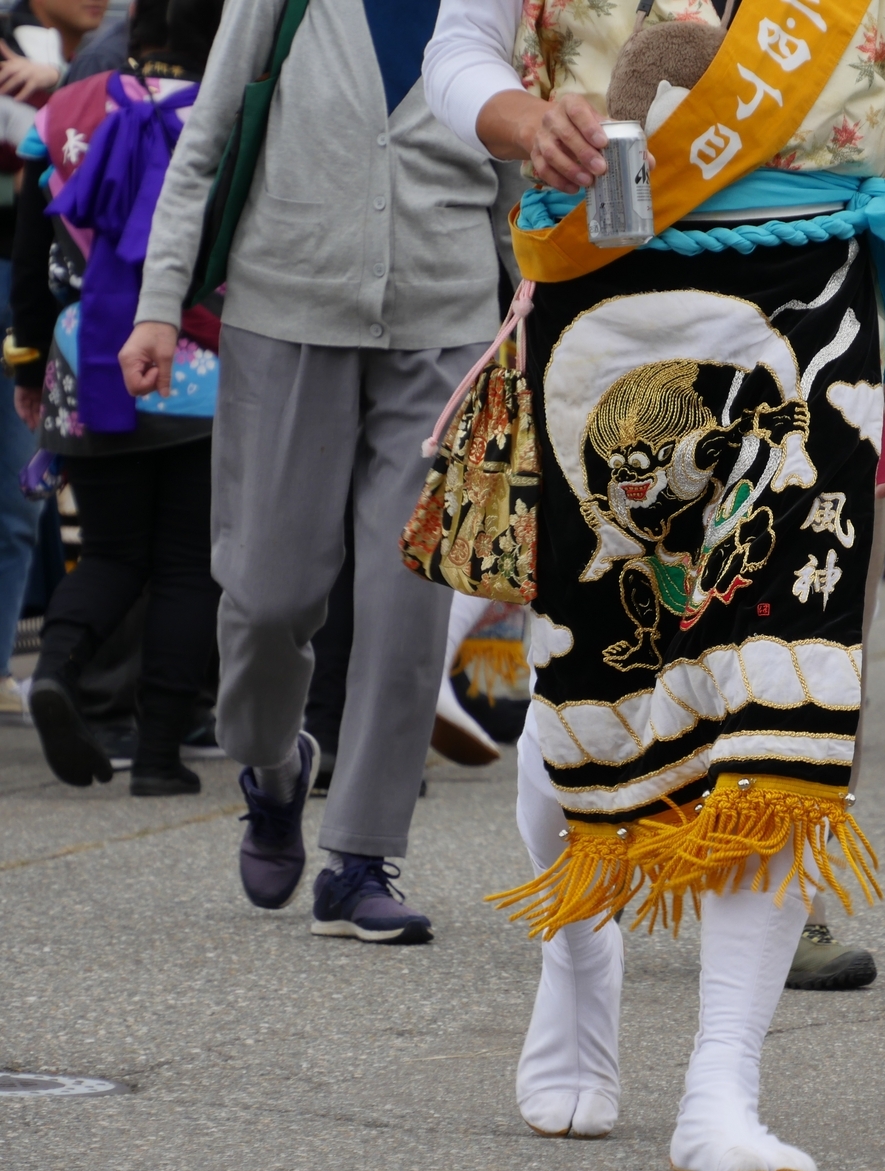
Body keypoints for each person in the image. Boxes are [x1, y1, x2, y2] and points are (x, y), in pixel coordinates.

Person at [424, 0, 885, 1171]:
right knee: (589, 676)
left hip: (818, 313)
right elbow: (453, 51)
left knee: (787, 695)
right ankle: (577, 949)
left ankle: (723, 1085)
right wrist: (526, 117)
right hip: (604, 289)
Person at [119, 0, 523, 943]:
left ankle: (360, 860)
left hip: (447, 319)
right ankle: (270, 763)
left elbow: (516, 170)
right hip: (284, 303)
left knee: (406, 595)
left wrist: (534, 323)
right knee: (265, 595)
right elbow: (208, 135)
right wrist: (157, 303)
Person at [13, 0, 222, 796]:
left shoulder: (65, 108)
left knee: (107, 553)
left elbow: (33, 250)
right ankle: (161, 758)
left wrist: (28, 368)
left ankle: (57, 670)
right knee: (183, 568)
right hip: (198, 367)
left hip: (84, 359)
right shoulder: (224, 120)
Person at [0, 0, 103, 715]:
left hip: (43, 284)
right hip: (27, 278)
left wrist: (62, 76)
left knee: (17, 496)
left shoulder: (128, 49)